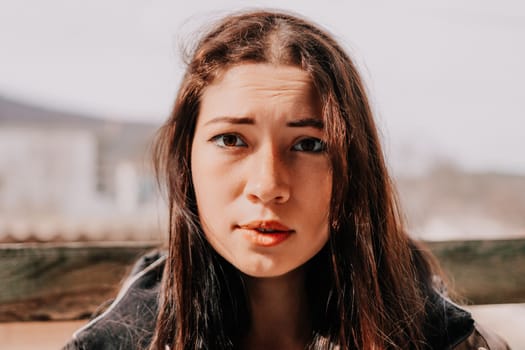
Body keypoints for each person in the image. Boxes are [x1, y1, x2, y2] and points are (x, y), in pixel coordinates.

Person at [63, 9, 510, 350]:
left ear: (354, 168)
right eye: (232, 139)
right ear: (187, 161)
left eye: (310, 145)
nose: (269, 184)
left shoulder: (448, 341)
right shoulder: (118, 343)